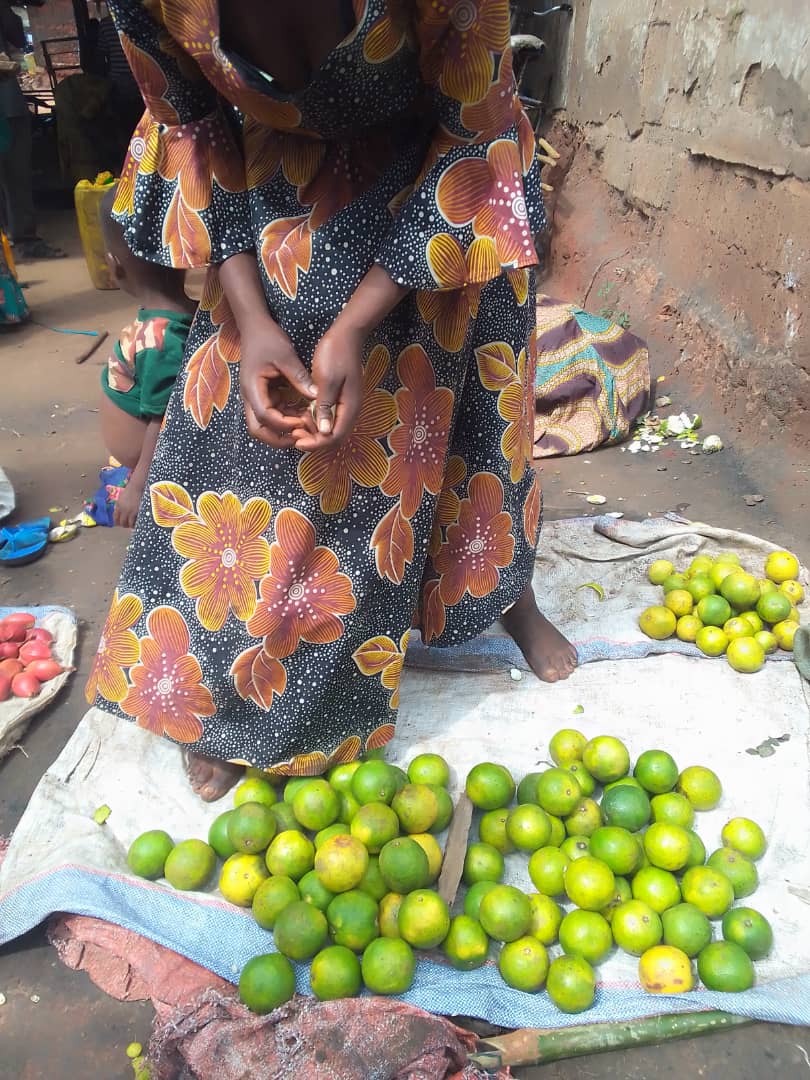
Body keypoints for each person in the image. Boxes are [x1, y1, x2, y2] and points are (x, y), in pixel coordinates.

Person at [86, 0, 578, 802]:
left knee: (462, 397)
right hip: (263, 166)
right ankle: (233, 662)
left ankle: (502, 592)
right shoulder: (149, 3)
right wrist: (249, 320)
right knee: (245, 410)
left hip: (445, 155)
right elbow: (195, 132)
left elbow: (476, 132)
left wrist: (354, 325)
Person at [98, 187, 195, 527]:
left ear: (115, 266)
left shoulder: (161, 338)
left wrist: (139, 484)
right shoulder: (168, 321)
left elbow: (163, 419)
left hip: (151, 472)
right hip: (143, 463)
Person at [0, 0, 64, 259]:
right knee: (15, 177)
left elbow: (16, 35)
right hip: (8, 104)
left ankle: (24, 241)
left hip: (9, 105)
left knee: (17, 177)